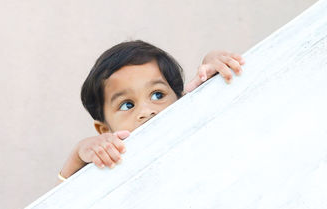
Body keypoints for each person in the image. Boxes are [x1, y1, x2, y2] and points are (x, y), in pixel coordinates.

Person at [58, 40, 245, 181]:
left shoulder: (193, 127)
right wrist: (77, 157)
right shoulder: (111, 162)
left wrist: (213, 64)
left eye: (157, 95)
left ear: (179, 99)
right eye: (127, 105)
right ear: (105, 130)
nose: (146, 111)